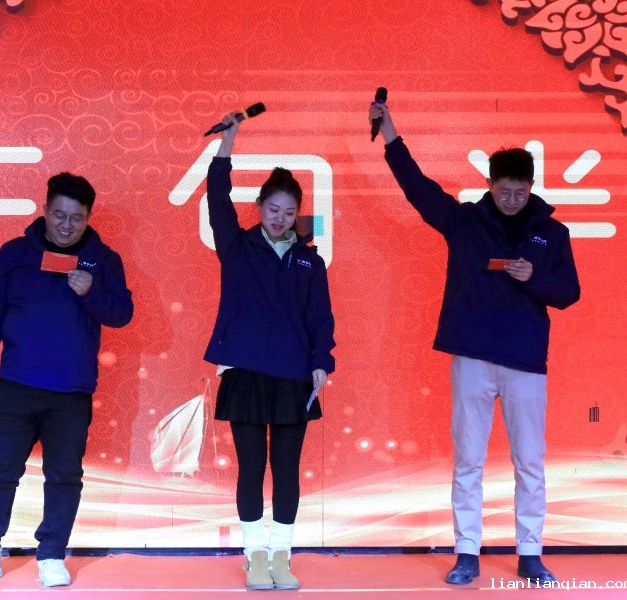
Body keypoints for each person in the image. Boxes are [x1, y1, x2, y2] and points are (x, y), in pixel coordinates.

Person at [369, 102, 580, 585]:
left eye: (521, 191)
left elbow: (569, 293)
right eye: (504, 190)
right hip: (473, 357)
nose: (512, 199)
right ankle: (467, 552)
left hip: (525, 361)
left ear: (532, 186)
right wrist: (391, 135)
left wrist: (534, 278)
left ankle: (530, 553)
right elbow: (418, 190)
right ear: (489, 184)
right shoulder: (464, 221)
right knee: (468, 459)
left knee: (530, 461)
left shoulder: (552, 233)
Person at [0, 172, 133, 588]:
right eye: (59, 215)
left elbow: (121, 314)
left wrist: (91, 292)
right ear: (45, 210)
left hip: (71, 392)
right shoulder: (16, 253)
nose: (67, 225)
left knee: (64, 477)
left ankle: (52, 554)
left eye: (77, 218)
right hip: (16, 385)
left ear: (88, 217)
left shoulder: (103, 260)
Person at [204, 114, 336, 590]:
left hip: (292, 377)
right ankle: (254, 556)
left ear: (297, 214)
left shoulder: (309, 260)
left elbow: (321, 318)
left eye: (288, 211)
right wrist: (228, 143)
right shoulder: (236, 246)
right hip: (244, 372)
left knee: (286, 471)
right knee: (251, 469)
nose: (279, 218)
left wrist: (321, 363)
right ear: (259, 206)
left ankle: (282, 555)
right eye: (273, 208)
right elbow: (217, 196)